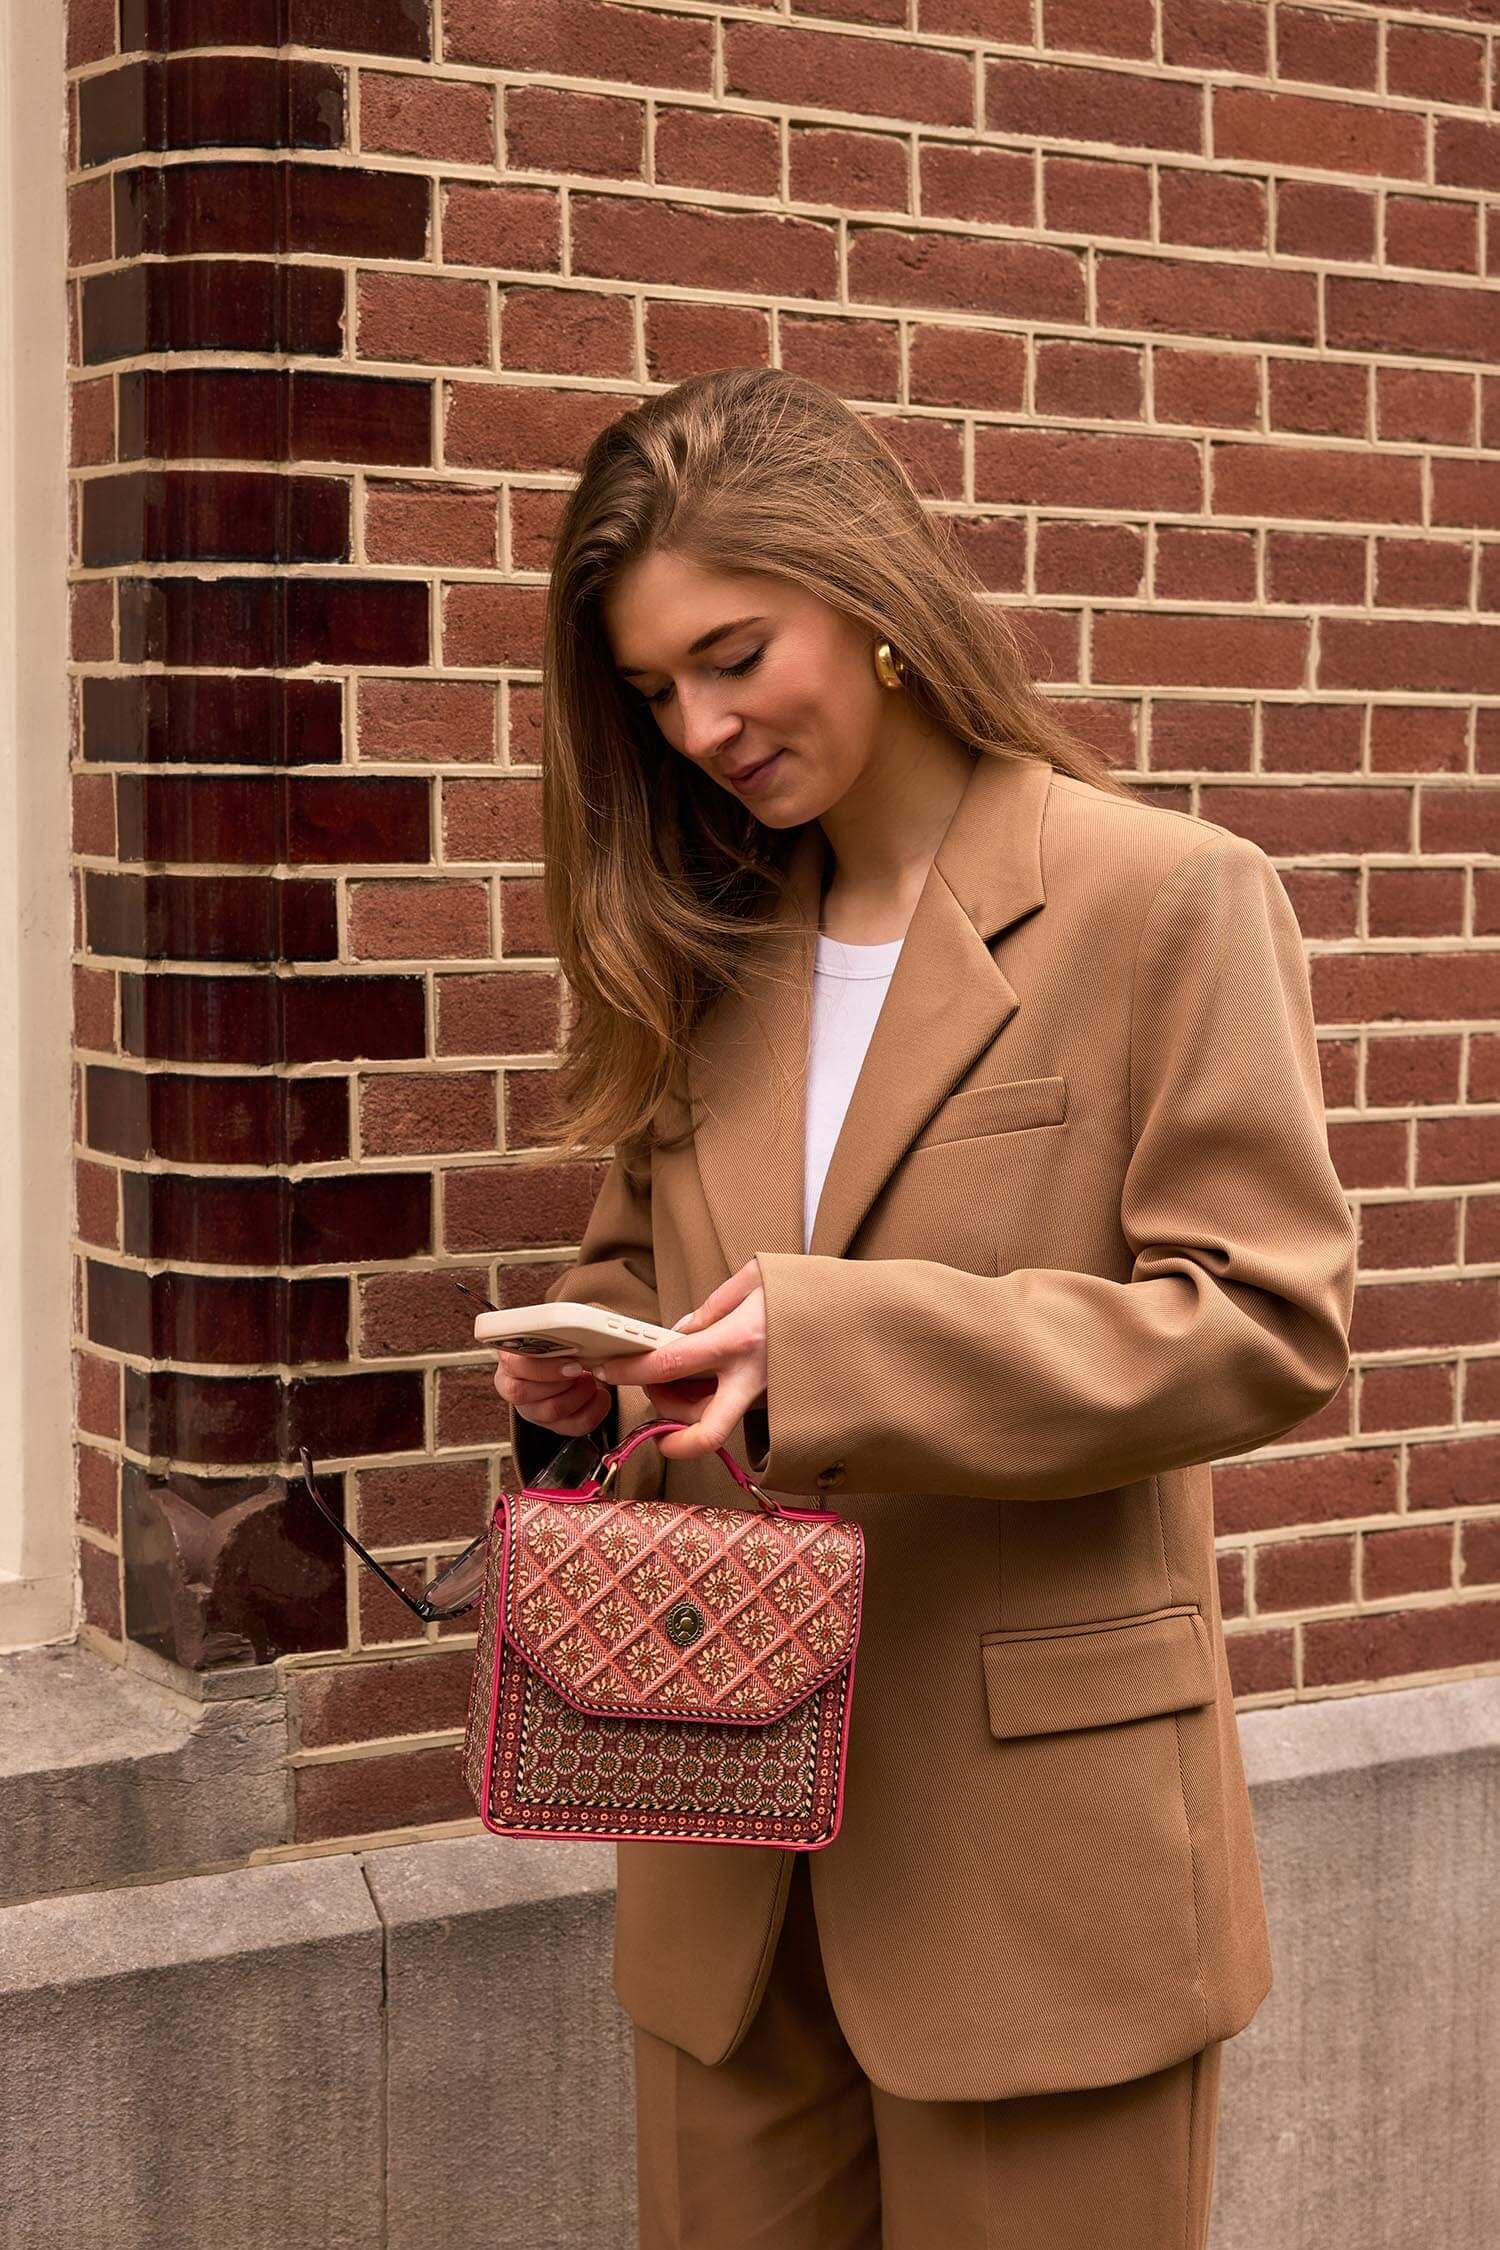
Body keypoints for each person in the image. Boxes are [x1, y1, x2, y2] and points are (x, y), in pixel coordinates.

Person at [492, 366, 1357, 2250]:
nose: (702, 727)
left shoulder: (1167, 899)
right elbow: (649, 1256)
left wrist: (842, 1349)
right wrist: (593, 1363)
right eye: (652, 692)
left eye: (735, 654)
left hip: (1034, 1868)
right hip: (720, 1829)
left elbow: (1262, 1319)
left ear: (870, 598)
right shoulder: (708, 944)